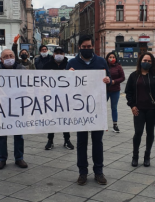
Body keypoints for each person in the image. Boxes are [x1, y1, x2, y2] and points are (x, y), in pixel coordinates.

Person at [66, 35, 111, 186]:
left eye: (89, 46)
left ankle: (99, 171)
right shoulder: (72, 63)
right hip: (80, 109)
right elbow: (64, 85)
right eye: (84, 47)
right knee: (81, 142)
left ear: (93, 47)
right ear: (79, 47)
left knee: (97, 141)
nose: (86, 49)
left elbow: (109, 81)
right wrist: (68, 76)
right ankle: (82, 172)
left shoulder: (101, 61)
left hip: (97, 108)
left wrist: (107, 80)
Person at [125, 52, 155, 168]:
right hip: (138, 109)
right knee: (138, 132)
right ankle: (135, 156)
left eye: (149, 61)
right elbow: (128, 92)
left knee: (150, 133)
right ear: (140, 61)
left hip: (152, 109)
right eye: (145, 60)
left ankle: (147, 156)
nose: (147, 63)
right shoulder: (134, 75)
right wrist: (132, 105)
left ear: (152, 63)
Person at [0, 49, 28, 170]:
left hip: (17, 105)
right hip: (1, 106)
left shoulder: (22, 69)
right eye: (6, 56)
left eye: (11, 55)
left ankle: (19, 158)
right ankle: (1, 158)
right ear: (1, 59)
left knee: (18, 134)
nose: (9, 58)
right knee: (1, 134)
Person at [43, 47, 74, 150]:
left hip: (66, 97)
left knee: (65, 119)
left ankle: (67, 140)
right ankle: (50, 140)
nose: (59, 54)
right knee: (52, 119)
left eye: (61, 52)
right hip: (51, 96)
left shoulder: (69, 65)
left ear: (64, 54)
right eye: (57, 53)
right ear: (53, 54)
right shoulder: (47, 65)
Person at [105, 52, 125, 133]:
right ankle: (97, 123)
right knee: (101, 107)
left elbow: (123, 77)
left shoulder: (118, 67)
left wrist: (114, 81)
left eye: (113, 57)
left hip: (115, 90)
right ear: (107, 58)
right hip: (105, 90)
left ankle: (115, 125)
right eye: (110, 57)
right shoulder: (104, 66)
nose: (112, 58)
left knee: (114, 107)